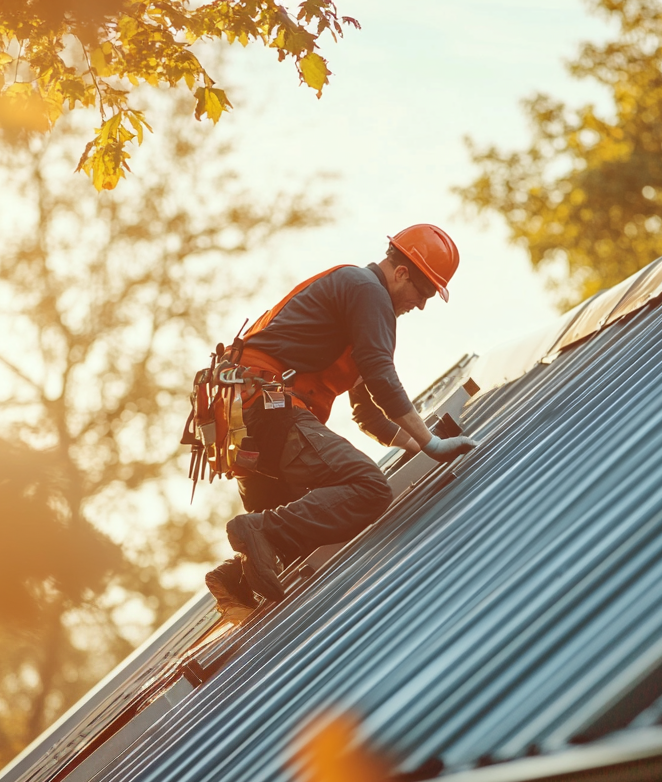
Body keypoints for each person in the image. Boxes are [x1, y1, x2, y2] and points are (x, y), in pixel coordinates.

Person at [204, 223, 479, 624]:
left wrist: (419, 445)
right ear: (401, 272)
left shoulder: (353, 300)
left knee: (314, 531)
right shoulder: (367, 291)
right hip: (266, 408)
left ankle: (236, 581)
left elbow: (367, 414)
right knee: (368, 489)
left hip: (245, 421)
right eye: (422, 291)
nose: (420, 305)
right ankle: (260, 530)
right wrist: (432, 443)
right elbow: (382, 377)